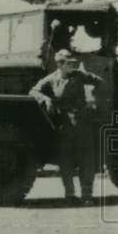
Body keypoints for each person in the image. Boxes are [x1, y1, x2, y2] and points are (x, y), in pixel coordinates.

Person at [29, 49, 104, 205]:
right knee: (66, 161)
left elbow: (99, 82)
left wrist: (94, 100)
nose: (73, 66)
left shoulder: (80, 76)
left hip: (83, 122)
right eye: (69, 63)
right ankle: (69, 194)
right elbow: (33, 91)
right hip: (64, 125)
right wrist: (46, 99)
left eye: (73, 63)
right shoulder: (51, 79)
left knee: (86, 160)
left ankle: (87, 195)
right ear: (60, 64)